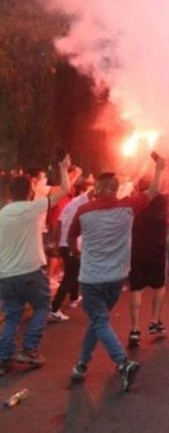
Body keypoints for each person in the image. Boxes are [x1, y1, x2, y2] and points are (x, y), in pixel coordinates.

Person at [68, 156, 164, 391]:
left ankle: (123, 363)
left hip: (91, 279)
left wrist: (76, 253)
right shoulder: (128, 207)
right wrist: (160, 168)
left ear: (99, 188)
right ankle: (81, 365)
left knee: (99, 320)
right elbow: (152, 192)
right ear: (116, 189)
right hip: (117, 279)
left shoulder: (83, 210)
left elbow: (70, 237)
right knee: (98, 320)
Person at [0, 155, 72, 376]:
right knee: (42, 307)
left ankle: (3, 359)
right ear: (30, 192)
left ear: (10, 193)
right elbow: (64, 190)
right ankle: (29, 350)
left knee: (12, 316)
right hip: (30, 271)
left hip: (6, 275)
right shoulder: (32, 209)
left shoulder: (2, 214)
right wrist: (63, 167)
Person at [128, 172, 169, 349]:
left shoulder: (134, 201)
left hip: (137, 249)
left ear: (139, 187)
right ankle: (154, 321)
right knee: (159, 286)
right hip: (156, 249)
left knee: (136, 288)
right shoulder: (162, 200)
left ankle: (135, 329)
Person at [49, 176, 94, 321]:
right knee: (70, 275)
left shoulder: (72, 203)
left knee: (73, 271)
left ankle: (74, 297)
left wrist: (56, 243)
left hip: (65, 244)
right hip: (71, 244)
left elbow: (59, 222)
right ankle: (54, 308)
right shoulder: (85, 205)